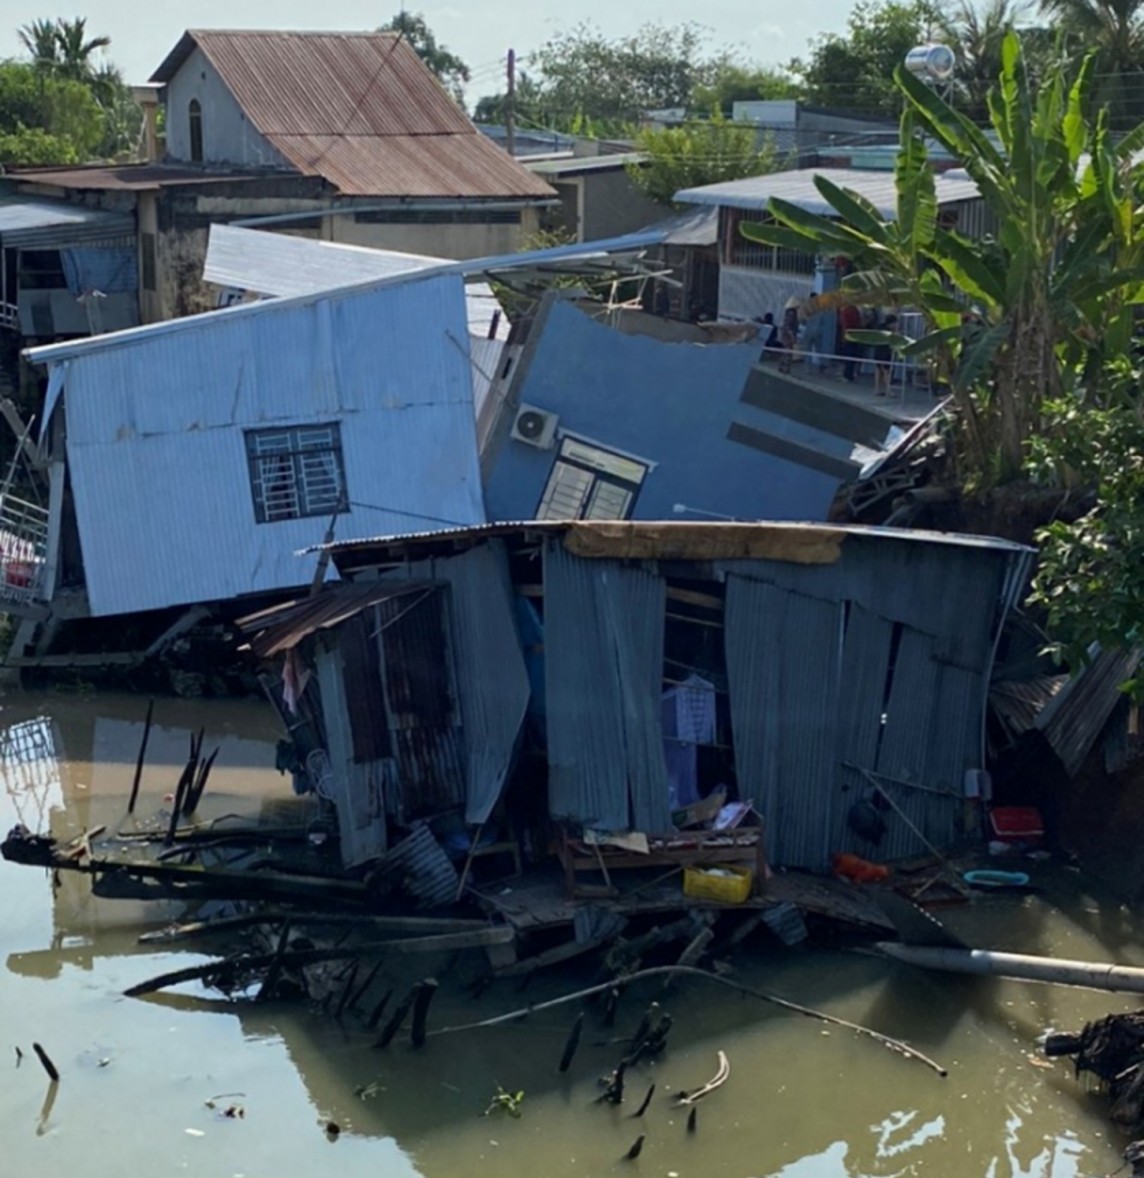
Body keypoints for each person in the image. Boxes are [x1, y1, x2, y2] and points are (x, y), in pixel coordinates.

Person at [838, 302, 863, 382]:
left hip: (848, 336)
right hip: (855, 336)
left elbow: (844, 324)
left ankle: (847, 375)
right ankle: (851, 374)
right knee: (852, 356)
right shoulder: (855, 310)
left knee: (848, 356)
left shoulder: (846, 311)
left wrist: (843, 337)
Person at [873, 313, 897, 396]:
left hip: (878, 351)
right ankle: (888, 390)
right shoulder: (887, 332)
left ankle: (877, 389)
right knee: (886, 371)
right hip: (884, 352)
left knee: (878, 370)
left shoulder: (880, 328)